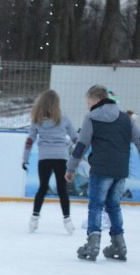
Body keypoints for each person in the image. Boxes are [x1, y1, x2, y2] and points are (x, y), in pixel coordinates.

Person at [67, 85, 140, 261]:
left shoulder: (92, 118)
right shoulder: (126, 119)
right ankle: (119, 244)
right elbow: (139, 140)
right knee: (114, 206)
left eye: (88, 102)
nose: (87, 106)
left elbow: (81, 146)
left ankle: (92, 244)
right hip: (120, 170)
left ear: (97, 100)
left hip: (101, 170)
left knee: (96, 205)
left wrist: (71, 168)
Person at [22, 89, 77, 234]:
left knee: (43, 187)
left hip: (44, 158)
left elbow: (29, 141)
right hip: (61, 158)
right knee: (62, 189)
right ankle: (68, 220)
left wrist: (25, 159)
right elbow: (75, 137)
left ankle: (34, 219)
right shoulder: (64, 118)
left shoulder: (37, 120)